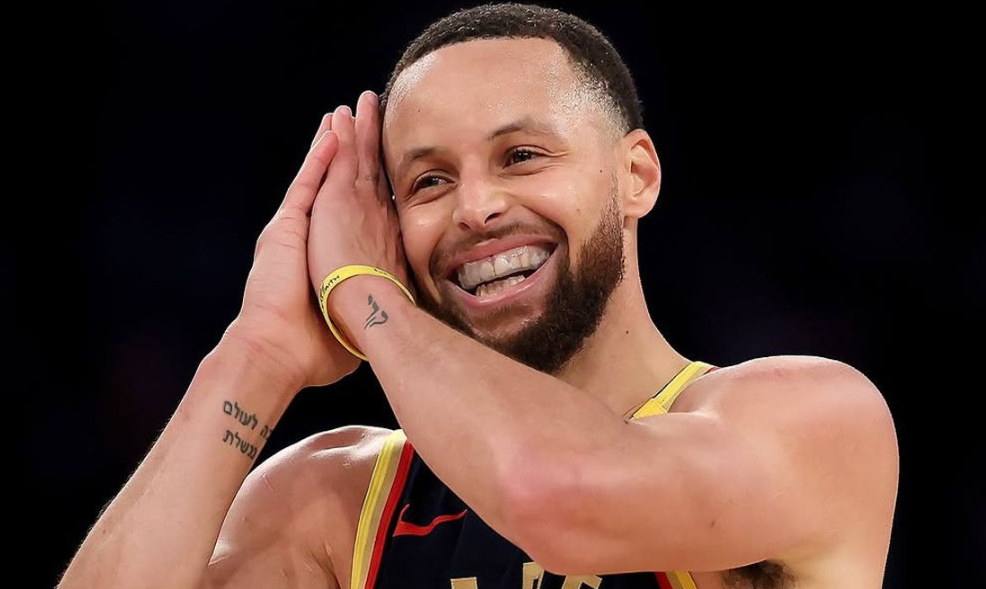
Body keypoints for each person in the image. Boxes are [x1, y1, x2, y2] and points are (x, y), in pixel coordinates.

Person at [58, 4, 899, 589]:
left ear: (635, 175)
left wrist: (367, 298)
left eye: (522, 156)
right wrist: (257, 352)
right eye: (429, 180)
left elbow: (553, 495)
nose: (476, 208)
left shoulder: (806, 417)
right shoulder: (344, 497)